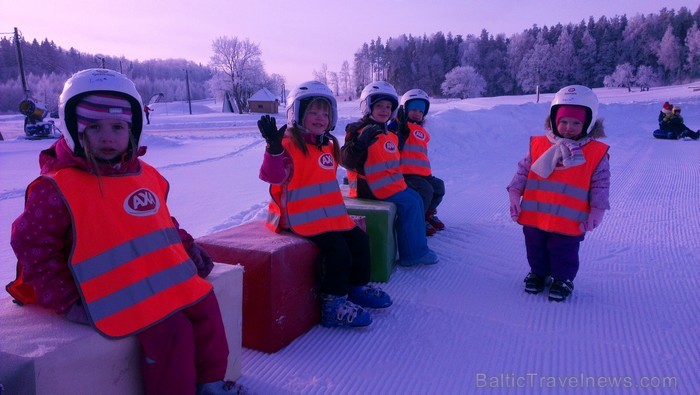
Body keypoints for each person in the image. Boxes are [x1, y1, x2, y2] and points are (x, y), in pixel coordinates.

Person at [5, 69, 242, 395]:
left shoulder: (144, 175)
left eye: (117, 127)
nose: (107, 137)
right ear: (74, 129)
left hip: (149, 277)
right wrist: (66, 299)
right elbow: (33, 245)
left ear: (134, 129)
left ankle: (212, 386)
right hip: (102, 293)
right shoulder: (58, 186)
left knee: (204, 304)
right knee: (172, 333)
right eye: (94, 128)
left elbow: (160, 224)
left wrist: (187, 249)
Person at [257, 81, 392, 328]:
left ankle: (356, 287)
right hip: (298, 218)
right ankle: (333, 304)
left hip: (329, 216)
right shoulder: (287, 144)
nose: (320, 118)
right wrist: (273, 150)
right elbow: (272, 177)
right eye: (313, 112)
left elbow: (336, 172)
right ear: (296, 114)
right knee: (337, 250)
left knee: (360, 240)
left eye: (325, 113)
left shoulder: (327, 144)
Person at [507, 85, 611, 302]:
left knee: (563, 250)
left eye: (576, 123)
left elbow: (601, 184)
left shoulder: (594, 153)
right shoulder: (539, 145)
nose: (568, 128)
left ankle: (563, 278)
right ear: (554, 120)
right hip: (536, 215)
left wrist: (597, 210)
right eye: (563, 121)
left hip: (568, 219)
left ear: (588, 123)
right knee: (535, 246)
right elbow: (523, 171)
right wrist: (515, 194)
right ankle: (538, 272)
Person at [340, 81, 438, 267]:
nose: (384, 110)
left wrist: (401, 134)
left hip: (388, 185)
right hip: (368, 187)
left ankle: (415, 246)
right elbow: (345, 160)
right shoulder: (359, 130)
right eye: (379, 106)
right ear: (367, 106)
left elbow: (390, 153)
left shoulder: (387, 131)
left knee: (417, 199)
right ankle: (413, 254)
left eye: (388, 107)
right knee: (410, 204)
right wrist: (359, 143)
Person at [390, 89, 446, 236]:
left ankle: (427, 213)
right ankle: (417, 219)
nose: (417, 113)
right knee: (425, 190)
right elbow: (388, 134)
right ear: (404, 109)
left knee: (439, 187)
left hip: (423, 174)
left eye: (421, 112)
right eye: (413, 109)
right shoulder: (399, 126)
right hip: (406, 174)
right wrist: (397, 125)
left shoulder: (421, 130)